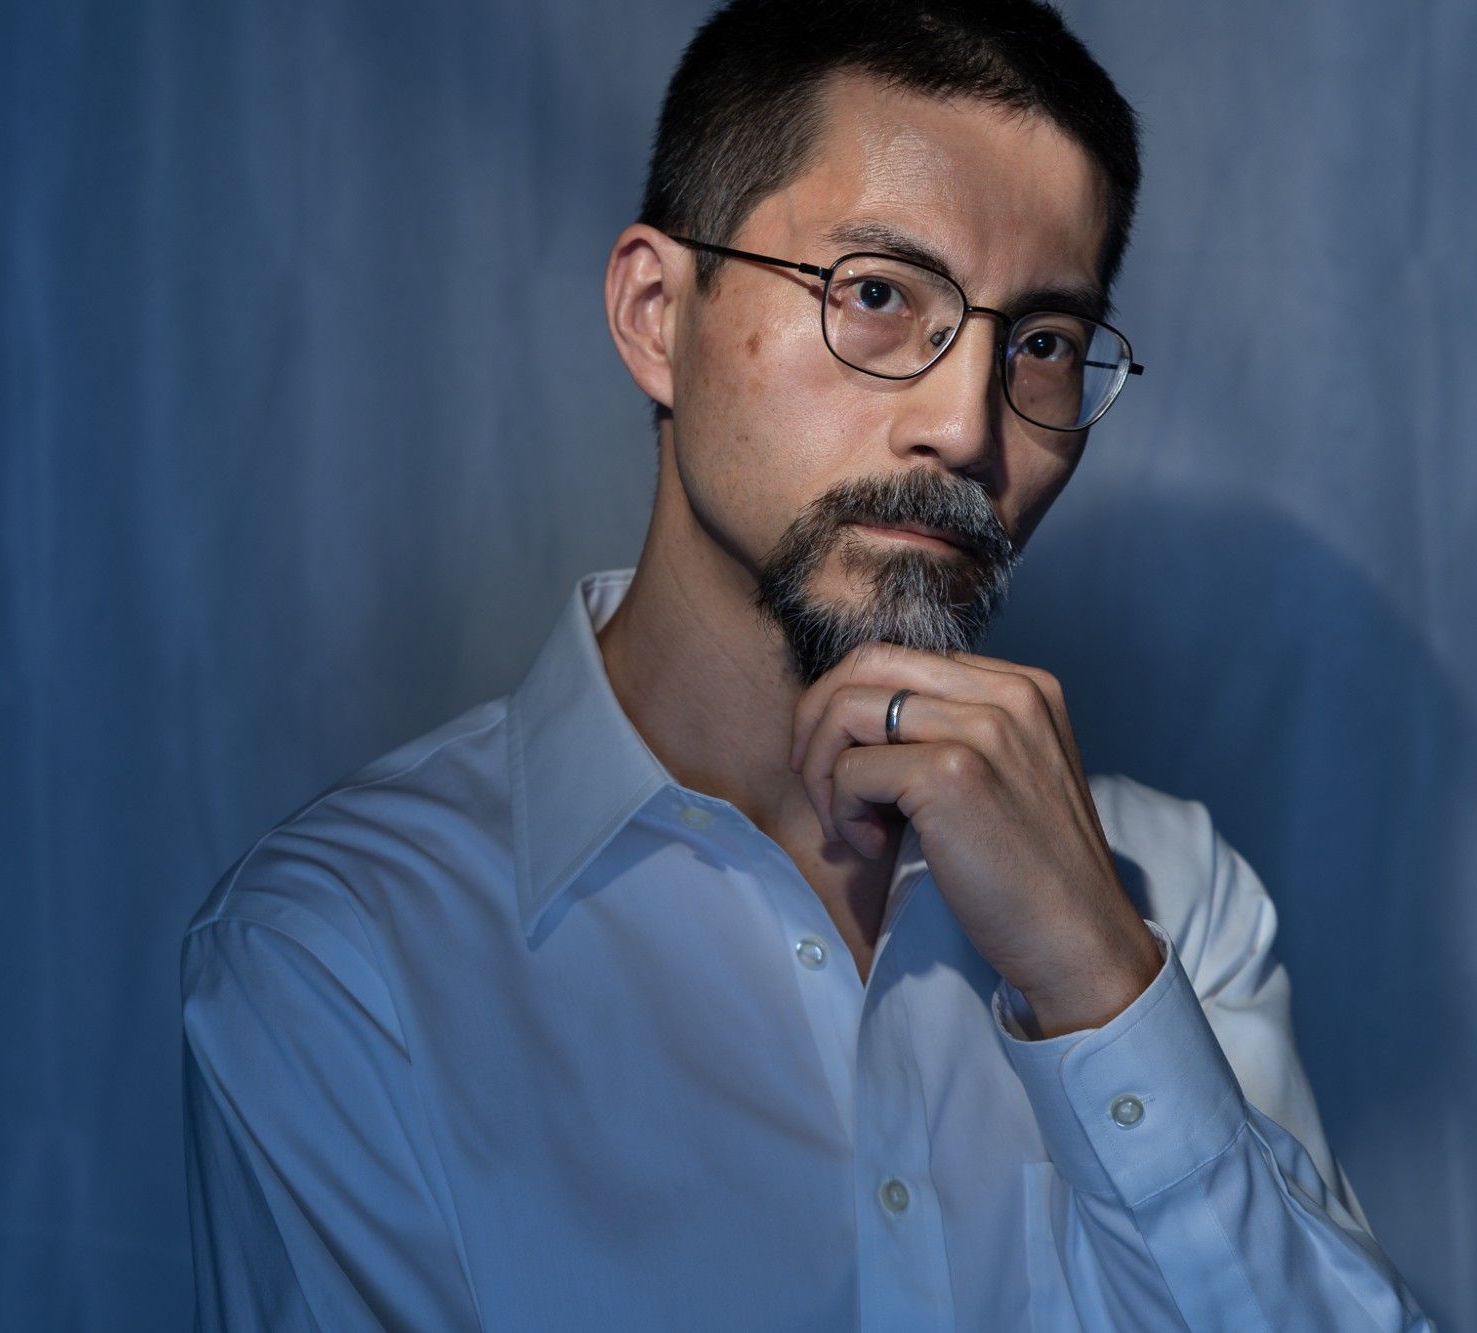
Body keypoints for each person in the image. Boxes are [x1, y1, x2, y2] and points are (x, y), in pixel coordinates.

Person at [180, 1, 1437, 1327]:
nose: (964, 423)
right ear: (658, 314)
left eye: (1044, 344)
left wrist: (1097, 977)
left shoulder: (1168, 895)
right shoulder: (341, 953)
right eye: (880, 296)